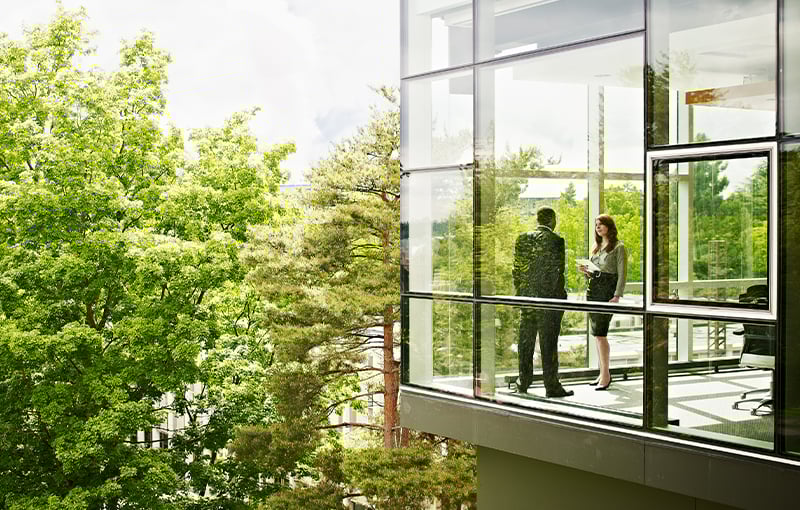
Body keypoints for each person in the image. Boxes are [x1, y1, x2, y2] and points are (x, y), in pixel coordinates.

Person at [512, 206, 574, 398]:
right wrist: (560, 297)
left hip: (528, 299)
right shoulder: (556, 241)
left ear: (537, 219)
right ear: (552, 220)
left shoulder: (523, 239)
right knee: (549, 343)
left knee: (526, 341)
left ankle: (523, 382)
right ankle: (551, 385)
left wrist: (522, 294)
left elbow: (517, 270)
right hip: (548, 302)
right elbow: (557, 272)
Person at [579, 214, 627, 391]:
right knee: (596, 334)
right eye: (596, 225)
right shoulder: (596, 247)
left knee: (601, 333)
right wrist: (586, 271)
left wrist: (617, 295)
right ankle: (602, 372)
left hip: (607, 290)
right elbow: (594, 273)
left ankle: (606, 375)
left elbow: (622, 274)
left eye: (601, 224)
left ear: (609, 226)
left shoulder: (619, 247)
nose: (598, 227)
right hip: (593, 289)